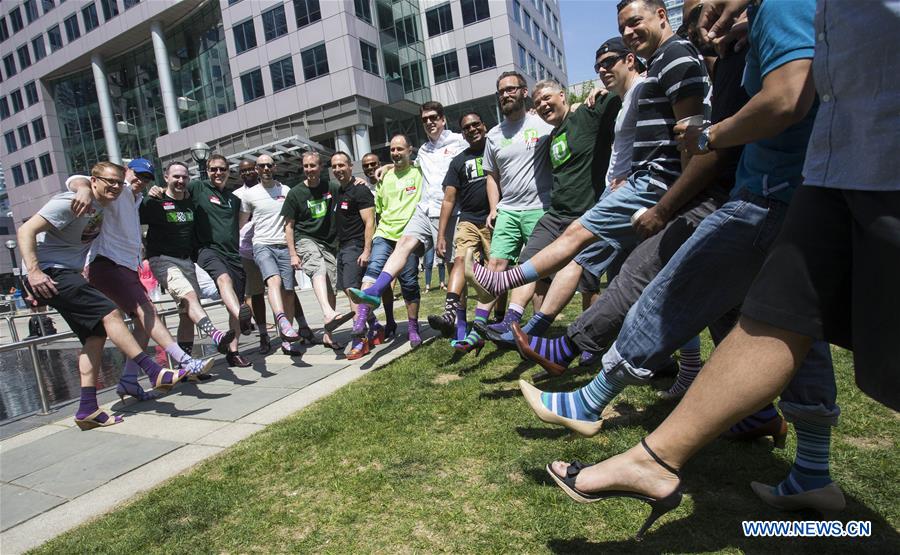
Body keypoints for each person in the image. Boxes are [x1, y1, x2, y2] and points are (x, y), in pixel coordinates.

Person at [536, 0, 856, 535]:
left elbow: (786, 98)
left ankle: (606, 416)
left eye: (701, 3)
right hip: (801, 193)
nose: (698, 11)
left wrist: (709, 137)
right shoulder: (752, 26)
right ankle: (812, 473)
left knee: (672, 287)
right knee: (793, 331)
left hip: (767, 196)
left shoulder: (776, 8)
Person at [512, 3, 749, 393]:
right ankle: (749, 409)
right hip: (684, 190)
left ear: (661, 15)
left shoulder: (673, 57)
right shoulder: (672, 62)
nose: (629, 31)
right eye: (623, 26)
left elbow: (693, 142)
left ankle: (569, 353)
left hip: (684, 190)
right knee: (696, 296)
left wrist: (669, 206)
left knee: (640, 276)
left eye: (634, 22)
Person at [468, 0, 711, 344]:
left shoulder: (629, 89)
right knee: (639, 276)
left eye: (609, 63)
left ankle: (562, 338)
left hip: (645, 188)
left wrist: (674, 198)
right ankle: (538, 332)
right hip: (606, 198)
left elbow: (692, 134)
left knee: (607, 264)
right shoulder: (564, 128)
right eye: (598, 67)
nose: (602, 70)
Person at [18, 162, 187, 429]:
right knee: (110, 312)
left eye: (118, 183)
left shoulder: (104, 206)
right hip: (51, 273)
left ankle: (87, 410)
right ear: (93, 180)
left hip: (66, 273)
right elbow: (25, 230)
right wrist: (34, 271)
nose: (115, 187)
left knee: (95, 336)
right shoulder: (70, 202)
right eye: (109, 182)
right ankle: (153, 370)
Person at [471, 74, 623, 357]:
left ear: (563, 96)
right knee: (531, 260)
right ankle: (512, 322)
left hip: (587, 212)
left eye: (547, 98)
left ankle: (588, 342)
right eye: (538, 102)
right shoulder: (551, 134)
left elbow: (621, 97)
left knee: (587, 279)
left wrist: (603, 90)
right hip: (556, 213)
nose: (542, 105)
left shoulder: (587, 115)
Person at [67, 158, 213, 400]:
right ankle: (184, 361)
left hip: (124, 266)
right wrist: (82, 188)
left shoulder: (135, 199)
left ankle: (127, 381)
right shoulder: (119, 189)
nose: (140, 181)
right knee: (147, 311)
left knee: (130, 326)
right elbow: (76, 180)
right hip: (106, 263)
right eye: (137, 175)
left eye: (146, 178)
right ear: (126, 172)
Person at [348, 103, 468, 347]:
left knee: (455, 268)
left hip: (450, 213)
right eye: (425, 119)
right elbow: (405, 163)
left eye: (434, 118)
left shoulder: (459, 141)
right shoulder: (423, 150)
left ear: (443, 120)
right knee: (403, 243)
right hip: (424, 211)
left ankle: (461, 325)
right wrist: (388, 166)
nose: (430, 122)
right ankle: (373, 292)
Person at [142, 162, 238, 363]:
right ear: (166, 177)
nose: (180, 181)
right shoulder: (154, 202)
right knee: (190, 295)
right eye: (176, 176)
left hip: (186, 261)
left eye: (184, 177)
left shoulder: (191, 202)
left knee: (187, 313)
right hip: (162, 260)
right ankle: (217, 335)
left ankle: (185, 366)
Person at [346, 135, 425, 345]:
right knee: (373, 271)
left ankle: (413, 327)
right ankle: (361, 320)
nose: (396, 153)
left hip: (408, 236)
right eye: (392, 150)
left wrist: (389, 165)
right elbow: (379, 212)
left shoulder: (419, 172)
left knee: (409, 284)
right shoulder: (384, 178)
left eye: (400, 149)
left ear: (410, 150)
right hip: (385, 233)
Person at [238, 154, 319, 358]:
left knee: (289, 292)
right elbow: (241, 225)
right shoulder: (249, 195)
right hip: (262, 245)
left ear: (274, 168)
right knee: (273, 281)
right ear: (257, 169)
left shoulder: (286, 190)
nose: (265, 169)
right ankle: (282, 320)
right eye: (261, 166)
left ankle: (287, 338)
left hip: (284, 246)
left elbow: (294, 219)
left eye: (268, 165)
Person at [427, 112, 491, 346]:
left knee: (497, 269)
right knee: (461, 261)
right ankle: (450, 313)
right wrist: (441, 235)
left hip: (495, 219)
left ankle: (498, 321)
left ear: (484, 126)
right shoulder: (458, 161)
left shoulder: (495, 150)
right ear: (462, 133)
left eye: (476, 124)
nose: (472, 129)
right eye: (467, 127)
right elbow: (448, 200)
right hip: (468, 220)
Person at [282, 152, 355, 350]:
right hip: (305, 239)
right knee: (318, 267)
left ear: (321, 167)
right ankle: (328, 312)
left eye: (312, 166)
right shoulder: (295, 193)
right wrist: (293, 254)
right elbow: (288, 226)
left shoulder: (330, 187)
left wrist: (361, 182)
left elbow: (349, 186)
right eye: (306, 166)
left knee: (331, 285)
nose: (309, 170)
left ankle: (328, 334)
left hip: (329, 243)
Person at [328, 152, 382, 359]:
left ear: (351, 166)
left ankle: (359, 340)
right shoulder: (339, 191)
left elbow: (370, 221)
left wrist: (367, 250)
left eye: (342, 165)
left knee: (352, 291)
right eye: (334, 166)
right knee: (350, 291)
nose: (338, 169)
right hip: (343, 248)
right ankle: (375, 325)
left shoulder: (360, 190)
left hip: (356, 246)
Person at [232, 160, 272, 354]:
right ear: (239, 174)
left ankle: (300, 327)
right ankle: (263, 335)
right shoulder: (236, 196)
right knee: (256, 294)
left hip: (269, 245)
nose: (247, 172)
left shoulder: (269, 189)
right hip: (246, 251)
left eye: (250, 169)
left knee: (282, 289)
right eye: (243, 170)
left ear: (256, 170)